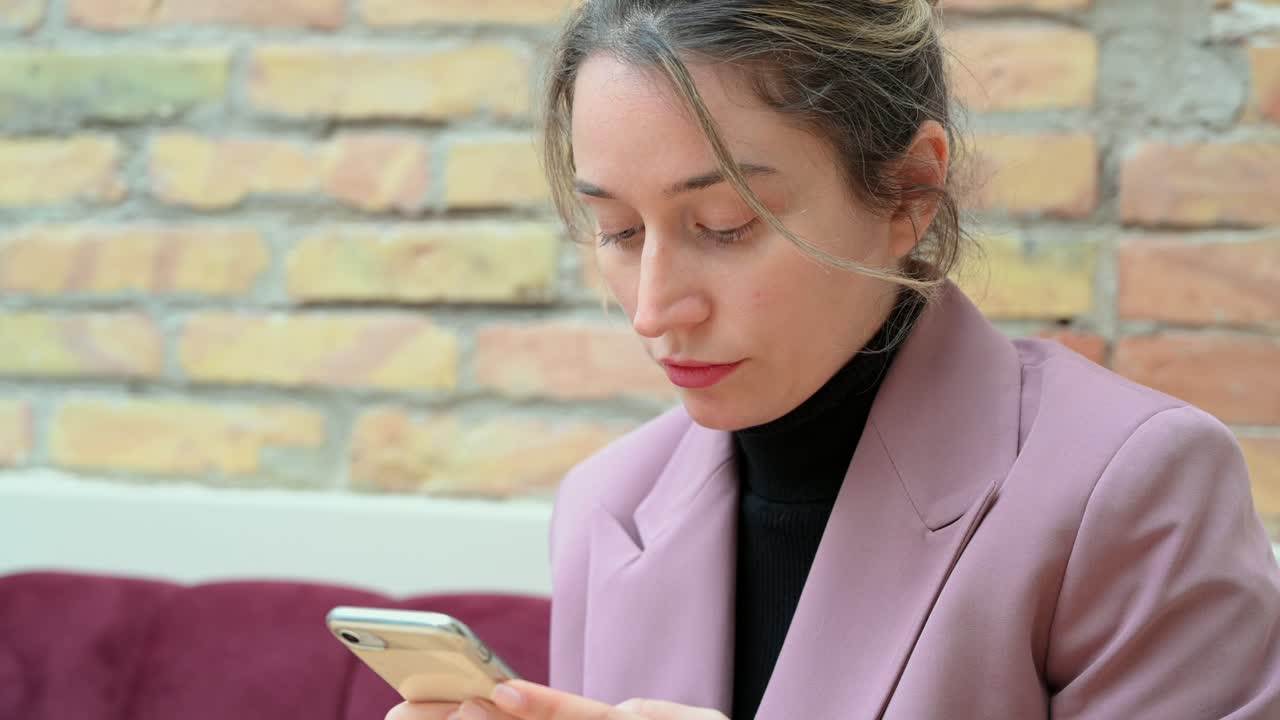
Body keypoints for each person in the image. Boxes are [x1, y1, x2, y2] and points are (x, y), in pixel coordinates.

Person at [389, 1, 1280, 718]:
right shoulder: (607, 506)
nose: (654, 309)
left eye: (726, 226)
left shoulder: (1132, 490)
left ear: (909, 191)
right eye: (617, 230)